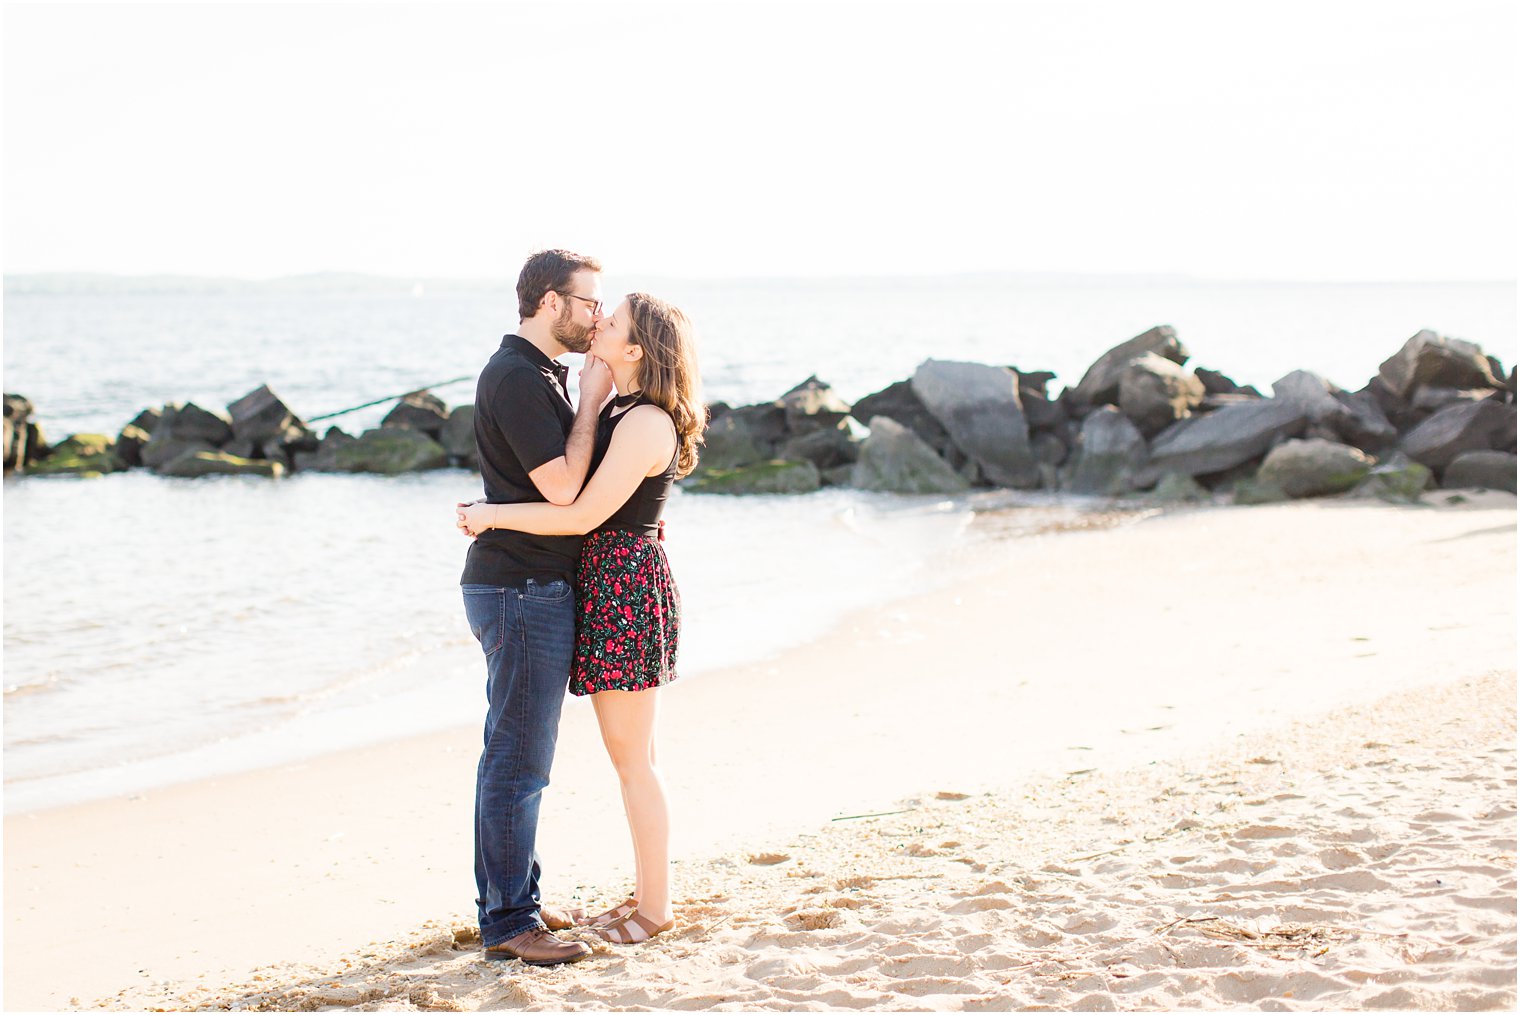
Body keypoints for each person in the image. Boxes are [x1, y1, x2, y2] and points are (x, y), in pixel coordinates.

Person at [458, 291, 702, 946]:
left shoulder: (647, 419)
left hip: (623, 589)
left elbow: (580, 514)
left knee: (634, 761)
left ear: (635, 350)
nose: (599, 323)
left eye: (613, 321)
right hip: (608, 584)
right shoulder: (621, 406)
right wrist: (591, 399)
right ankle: (648, 895)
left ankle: (655, 909)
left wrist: (491, 513)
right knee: (631, 756)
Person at [460, 248, 614, 966]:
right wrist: (589, 402)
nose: (598, 315)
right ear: (550, 302)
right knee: (518, 762)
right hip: (518, 588)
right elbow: (561, 492)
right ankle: (510, 923)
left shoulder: (536, 372)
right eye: (588, 303)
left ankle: (510, 900)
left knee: (514, 755)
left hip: (523, 585)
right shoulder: (518, 376)